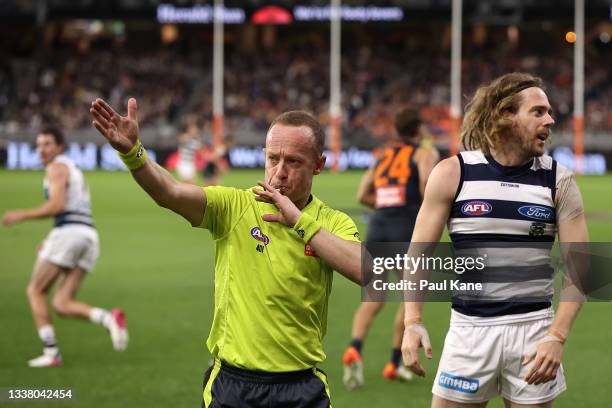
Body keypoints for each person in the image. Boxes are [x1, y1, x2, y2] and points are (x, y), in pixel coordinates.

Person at [90, 98, 362, 408]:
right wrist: (133, 153)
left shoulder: (332, 222)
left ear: (318, 164)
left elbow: (365, 270)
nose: (280, 172)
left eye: (294, 162)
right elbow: (170, 192)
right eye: (273, 159)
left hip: (301, 388)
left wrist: (300, 223)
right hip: (233, 387)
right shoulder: (234, 207)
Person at [400, 73, 588, 407]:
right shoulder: (453, 173)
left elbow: (583, 269)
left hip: (534, 332)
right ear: (505, 115)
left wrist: (557, 337)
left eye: (549, 111)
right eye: (538, 111)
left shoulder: (559, 180)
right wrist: (412, 322)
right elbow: (418, 256)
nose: (550, 119)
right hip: (469, 332)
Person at [2, 126, 128, 368]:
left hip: (69, 234)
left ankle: (51, 353)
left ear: (59, 146)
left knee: (35, 291)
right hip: (88, 236)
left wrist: (21, 215)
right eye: (38, 145)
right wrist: (51, 240)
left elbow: (57, 206)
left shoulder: (56, 168)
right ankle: (108, 318)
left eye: (47, 144)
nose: (41, 150)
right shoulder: (72, 167)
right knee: (61, 302)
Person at [342, 107, 439, 389]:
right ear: (418, 129)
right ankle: (394, 363)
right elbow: (426, 188)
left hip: (378, 229)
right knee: (410, 298)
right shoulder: (424, 154)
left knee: (373, 297)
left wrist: (386, 205)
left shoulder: (381, 156)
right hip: (406, 231)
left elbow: (363, 194)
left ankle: (354, 348)